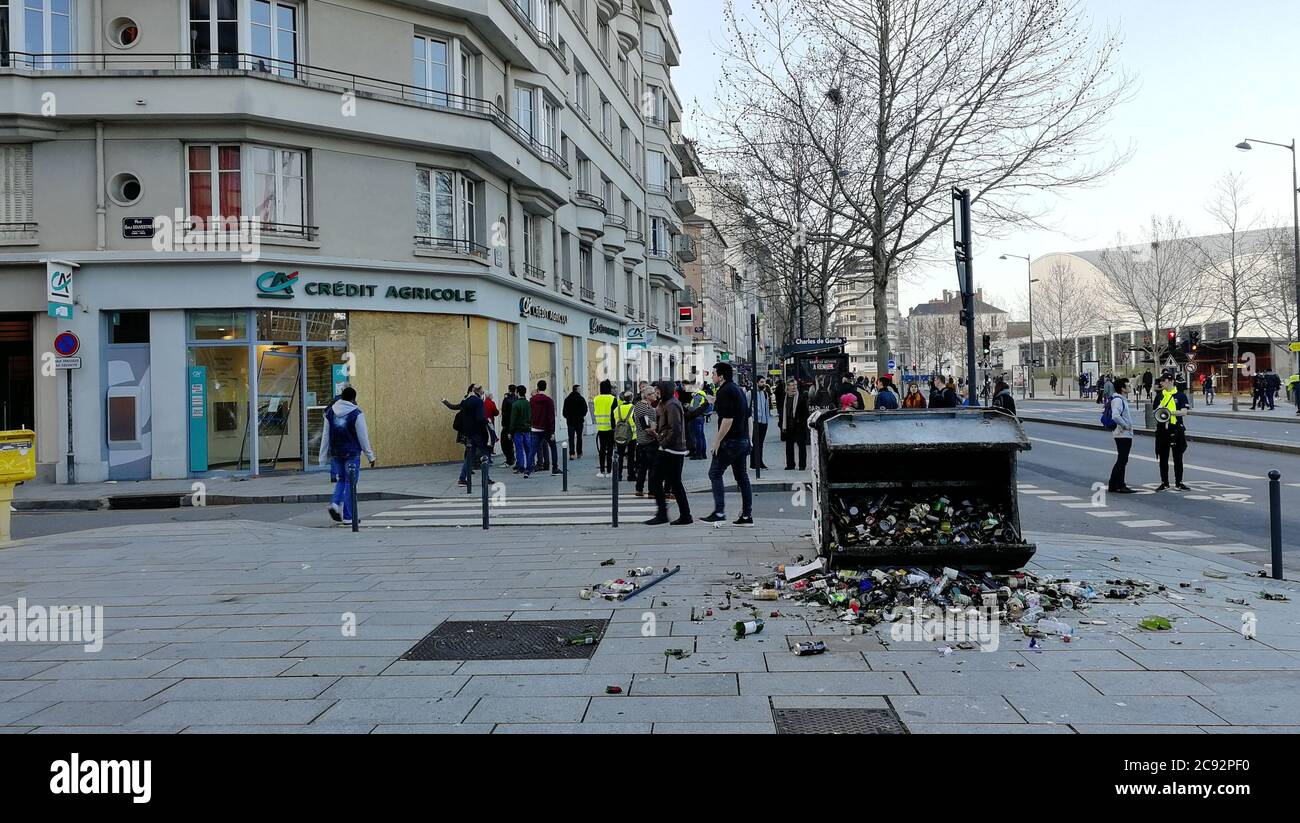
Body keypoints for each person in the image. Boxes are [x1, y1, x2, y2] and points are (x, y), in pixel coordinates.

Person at [702, 362, 753, 526]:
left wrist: (716, 441)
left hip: (730, 441)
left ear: (721, 376)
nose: (712, 376)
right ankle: (746, 516)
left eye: (714, 373)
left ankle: (719, 512)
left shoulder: (724, 390)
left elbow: (728, 419)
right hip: (742, 439)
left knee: (715, 473)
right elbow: (746, 416)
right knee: (742, 477)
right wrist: (749, 439)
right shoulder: (736, 389)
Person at [319, 386, 376, 523]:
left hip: (336, 452)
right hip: (352, 453)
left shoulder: (330, 413)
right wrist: (370, 456)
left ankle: (334, 503)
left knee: (342, 480)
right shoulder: (356, 413)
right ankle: (349, 517)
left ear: (341, 397)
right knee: (351, 483)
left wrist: (322, 457)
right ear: (353, 399)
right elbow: (363, 437)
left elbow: (325, 435)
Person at [645, 379, 692, 525]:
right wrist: (656, 429)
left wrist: (663, 443)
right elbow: (665, 423)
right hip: (672, 448)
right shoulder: (666, 402)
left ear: (665, 390)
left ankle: (664, 514)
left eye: (658, 391)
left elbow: (675, 428)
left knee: (656, 479)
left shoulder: (672, 404)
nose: (656, 393)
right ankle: (685, 515)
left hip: (671, 449)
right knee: (674, 482)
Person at [442, 384, 488, 487]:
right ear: (479, 392)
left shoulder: (465, 401)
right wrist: (486, 421)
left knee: (469, 456)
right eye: (482, 391)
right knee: (485, 453)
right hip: (477, 432)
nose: (483, 393)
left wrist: (444, 401)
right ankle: (486, 478)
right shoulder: (478, 402)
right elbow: (480, 418)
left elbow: (453, 407)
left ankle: (462, 479)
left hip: (468, 432)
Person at [1154, 372, 1190, 491]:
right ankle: (1164, 482)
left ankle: (1179, 482)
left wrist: (1169, 413)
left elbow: (1184, 412)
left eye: (1163, 381)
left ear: (1170, 381)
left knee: (1178, 457)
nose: (1161, 383)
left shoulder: (1180, 395)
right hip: (1162, 429)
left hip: (1176, 428)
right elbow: (1155, 412)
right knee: (1163, 457)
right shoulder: (1159, 396)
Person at [1107, 377, 1137, 494]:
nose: (1130, 387)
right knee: (1122, 460)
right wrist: (1125, 426)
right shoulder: (1119, 400)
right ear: (1122, 388)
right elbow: (1115, 416)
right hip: (1122, 434)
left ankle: (1114, 485)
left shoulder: (1120, 399)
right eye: (1128, 385)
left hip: (1123, 434)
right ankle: (1119, 485)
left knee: (1122, 459)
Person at [529, 379, 560, 476]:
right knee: (553, 448)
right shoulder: (549, 400)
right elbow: (551, 417)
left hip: (535, 428)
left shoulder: (532, 400)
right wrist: (552, 432)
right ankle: (554, 468)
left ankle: (527, 471)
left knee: (533, 450)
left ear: (537, 388)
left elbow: (531, 413)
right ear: (545, 388)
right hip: (546, 429)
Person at [633, 385, 659, 497]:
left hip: (642, 441)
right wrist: (657, 435)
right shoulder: (643, 408)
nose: (656, 395)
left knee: (643, 467)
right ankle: (651, 491)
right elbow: (647, 427)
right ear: (648, 396)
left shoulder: (645, 406)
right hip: (648, 441)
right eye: (653, 393)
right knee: (652, 468)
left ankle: (639, 489)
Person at [780, 378, 810, 471]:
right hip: (788, 425)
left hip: (799, 425)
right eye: (792, 385)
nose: (794, 387)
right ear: (787, 387)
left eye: (795, 385)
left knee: (801, 445)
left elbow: (805, 412)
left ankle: (802, 465)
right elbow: (782, 411)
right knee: (789, 446)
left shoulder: (801, 397)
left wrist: (803, 422)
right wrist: (781, 424)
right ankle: (790, 464)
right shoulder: (784, 397)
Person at [591, 379, 617, 478]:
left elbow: (595, 412)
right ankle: (610, 471)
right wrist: (614, 427)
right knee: (610, 450)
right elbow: (614, 415)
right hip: (610, 428)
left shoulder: (596, 399)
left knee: (602, 450)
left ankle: (601, 471)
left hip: (601, 428)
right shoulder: (613, 399)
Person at [508, 383, 533, 478]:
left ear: (517, 392)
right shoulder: (528, 403)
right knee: (528, 449)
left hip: (518, 430)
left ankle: (521, 467)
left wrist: (510, 431)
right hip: (527, 429)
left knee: (519, 449)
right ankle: (530, 466)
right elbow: (531, 417)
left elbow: (513, 419)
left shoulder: (515, 404)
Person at [612, 390, 637, 481]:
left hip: (620, 435)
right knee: (630, 456)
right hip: (632, 436)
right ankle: (631, 475)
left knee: (620, 455)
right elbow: (636, 422)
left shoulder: (616, 409)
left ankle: (619, 475)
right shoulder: (634, 408)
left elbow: (613, 422)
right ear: (631, 398)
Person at [684, 379, 709, 460]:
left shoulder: (697, 396)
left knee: (698, 436)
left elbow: (693, 409)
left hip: (696, 417)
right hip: (700, 417)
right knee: (701, 436)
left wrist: (688, 406)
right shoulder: (701, 395)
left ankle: (698, 454)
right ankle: (703, 453)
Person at [563, 384, 588, 460]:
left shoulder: (567, 399)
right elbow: (585, 410)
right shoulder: (581, 399)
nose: (580, 390)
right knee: (579, 437)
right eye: (579, 389)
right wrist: (581, 416)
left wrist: (568, 417)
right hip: (579, 421)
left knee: (571, 438)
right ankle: (579, 453)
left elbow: (564, 412)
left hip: (570, 421)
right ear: (576, 390)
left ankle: (572, 454)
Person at [752, 378, 771, 470]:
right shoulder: (751, 393)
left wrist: (767, 420)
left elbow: (767, 407)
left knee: (760, 443)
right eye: (761, 382)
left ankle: (760, 462)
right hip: (754, 422)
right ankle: (753, 463)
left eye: (764, 382)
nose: (764, 384)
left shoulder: (765, 393)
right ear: (756, 383)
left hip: (764, 421)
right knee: (754, 442)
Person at [499, 385, 517, 467]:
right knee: (515, 443)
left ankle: (509, 460)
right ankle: (513, 459)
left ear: (509, 389)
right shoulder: (517, 399)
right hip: (516, 424)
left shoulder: (506, 400)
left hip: (507, 425)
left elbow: (504, 413)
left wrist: (504, 424)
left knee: (505, 443)